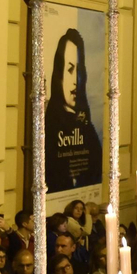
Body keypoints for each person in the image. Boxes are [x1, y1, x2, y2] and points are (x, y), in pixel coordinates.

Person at [45, 27, 102, 194]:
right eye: (70, 69)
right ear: (59, 73)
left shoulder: (87, 128)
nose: (76, 81)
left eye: (79, 70)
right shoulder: (48, 127)